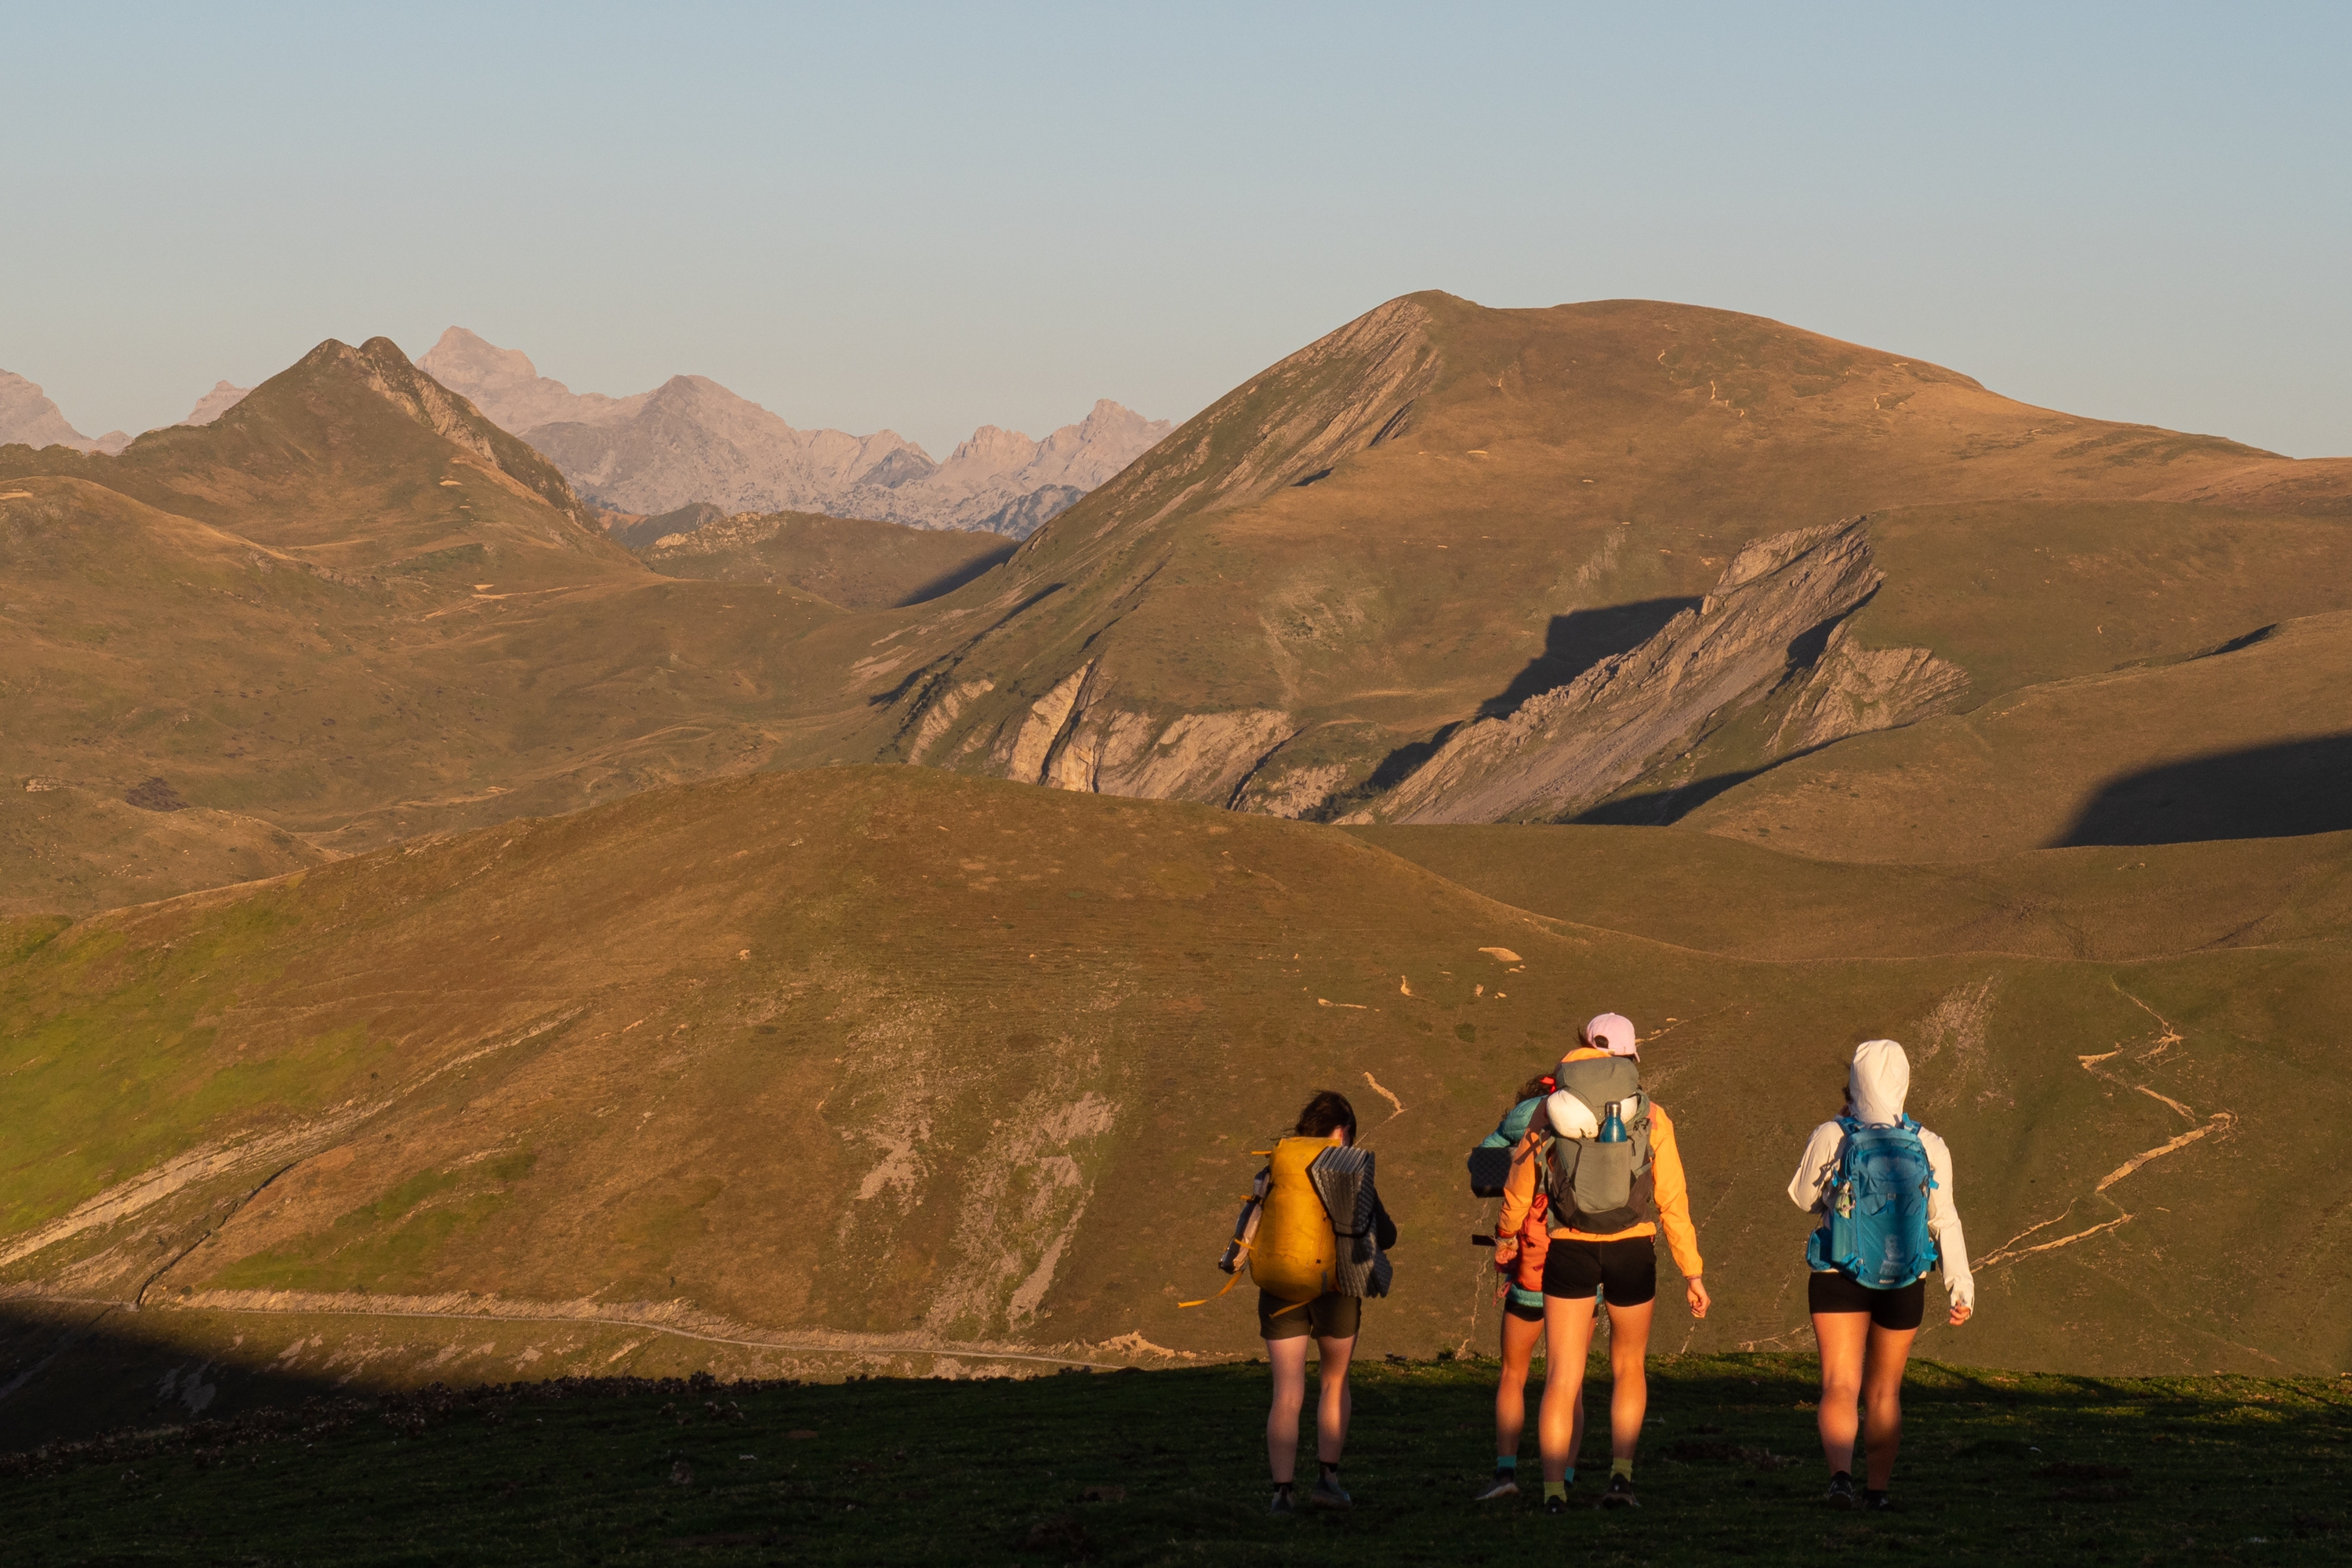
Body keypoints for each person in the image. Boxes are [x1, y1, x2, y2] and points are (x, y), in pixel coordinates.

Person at [1494, 1014, 1708, 1512]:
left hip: (1569, 1246)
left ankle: (1552, 1493)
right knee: (1629, 1366)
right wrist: (1692, 1272)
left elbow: (1521, 1183)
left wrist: (1507, 1234)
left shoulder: (1548, 1112)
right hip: (1632, 1247)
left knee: (1562, 1375)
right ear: (1632, 1056)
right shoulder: (1651, 1114)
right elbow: (1673, 1200)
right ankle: (1620, 1480)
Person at [1788, 1040, 1975, 1511]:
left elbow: (1800, 1198)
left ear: (1854, 1079)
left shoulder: (1833, 1134)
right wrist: (1961, 1287)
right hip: (1905, 1279)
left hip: (1837, 1271)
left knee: (1839, 1384)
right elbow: (1944, 1218)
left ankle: (1839, 1481)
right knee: (1885, 1390)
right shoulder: (1929, 1144)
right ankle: (1879, 1491)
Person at [1252, 1090, 1396, 1515]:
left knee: (1287, 1392)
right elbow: (1385, 1234)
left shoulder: (1277, 1166)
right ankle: (1328, 1481)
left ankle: (1281, 1493)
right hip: (1335, 1290)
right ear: (1342, 1131)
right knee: (1334, 1382)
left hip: (1280, 1289)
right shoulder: (1347, 1169)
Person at [1478, 1071, 1559, 1501]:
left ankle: (1506, 1472)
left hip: (1531, 1265)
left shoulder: (1526, 1116)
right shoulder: (1607, 1115)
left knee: (1514, 1372)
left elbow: (1482, 1165)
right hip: (1583, 1264)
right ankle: (1563, 1478)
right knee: (1570, 1378)